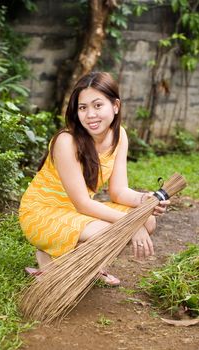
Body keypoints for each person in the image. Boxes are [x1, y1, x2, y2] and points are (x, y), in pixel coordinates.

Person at [19, 71, 169, 286]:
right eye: (83, 107)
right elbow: (83, 204)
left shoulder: (120, 136)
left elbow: (118, 191)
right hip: (42, 213)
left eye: (98, 105)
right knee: (113, 230)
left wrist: (144, 201)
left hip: (75, 213)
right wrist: (132, 225)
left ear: (115, 106)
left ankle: (66, 259)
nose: (90, 114)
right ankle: (55, 257)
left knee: (148, 220)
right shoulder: (66, 141)